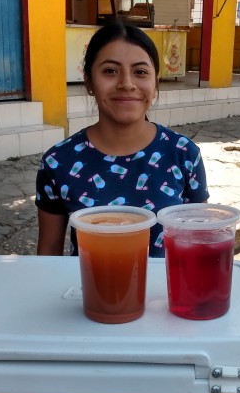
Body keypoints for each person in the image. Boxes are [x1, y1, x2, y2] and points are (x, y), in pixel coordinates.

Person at [35, 21, 209, 257]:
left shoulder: (183, 154)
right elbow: (48, 254)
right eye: (110, 71)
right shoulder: (59, 161)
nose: (126, 84)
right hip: (91, 291)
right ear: (88, 81)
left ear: (155, 82)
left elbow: (199, 245)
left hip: (164, 293)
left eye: (140, 72)